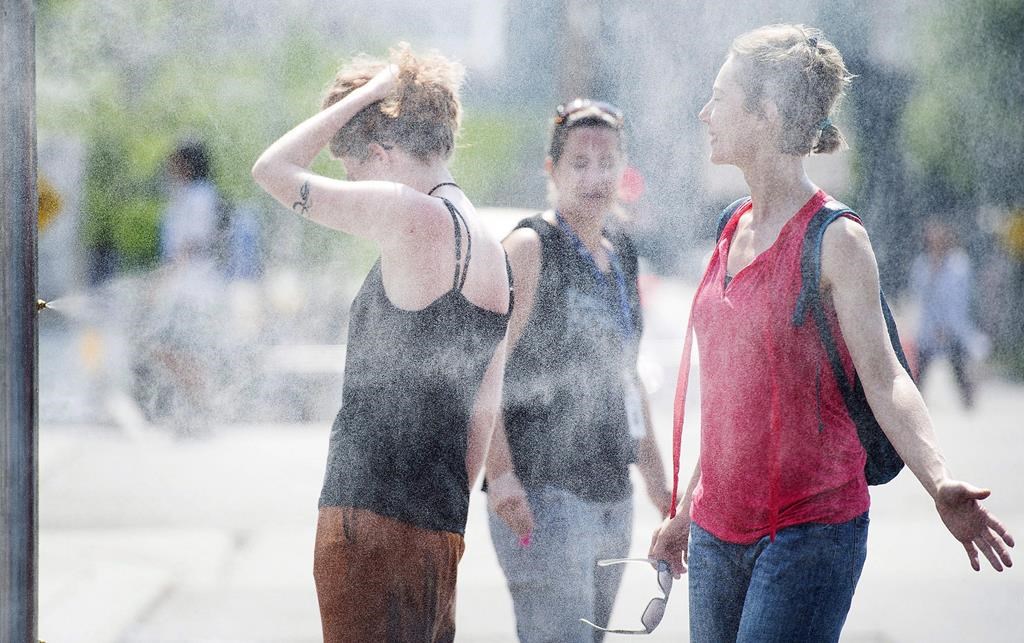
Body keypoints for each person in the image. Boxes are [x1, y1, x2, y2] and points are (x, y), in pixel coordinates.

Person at [648, 24, 1014, 643]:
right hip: (716, 533)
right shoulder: (727, 227)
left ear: (766, 113)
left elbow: (886, 376)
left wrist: (937, 479)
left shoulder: (837, 241)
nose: (705, 113)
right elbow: (735, 398)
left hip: (809, 532)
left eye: (720, 98)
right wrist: (685, 509)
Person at [251, 44, 513, 642]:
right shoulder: (493, 252)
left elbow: (271, 171)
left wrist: (365, 97)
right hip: (440, 525)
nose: (352, 181)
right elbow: (482, 417)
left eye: (353, 167)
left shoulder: (406, 212)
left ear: (380, 151)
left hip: (365, 515)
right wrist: (443, 519)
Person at [485, 99, 672, 642]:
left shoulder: (623, 256)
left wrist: (659, 485)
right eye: (580, 162)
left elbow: (627, 377)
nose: (596, 176)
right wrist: (500, 475)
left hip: (612, 498)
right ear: (553, 171)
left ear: (624, 170)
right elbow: (484, 366)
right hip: (542, 497)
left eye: (607, 161)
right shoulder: (529, 247)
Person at [910, 220, 981, 408]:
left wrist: (947, 326)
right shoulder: (923, 263)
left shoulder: (958, 264)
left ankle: (969, 403)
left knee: (959, 366)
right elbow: (920, 295)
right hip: (928, 327)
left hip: (952, 325)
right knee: (920, 370)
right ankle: (914, 406)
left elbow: (959, 299)